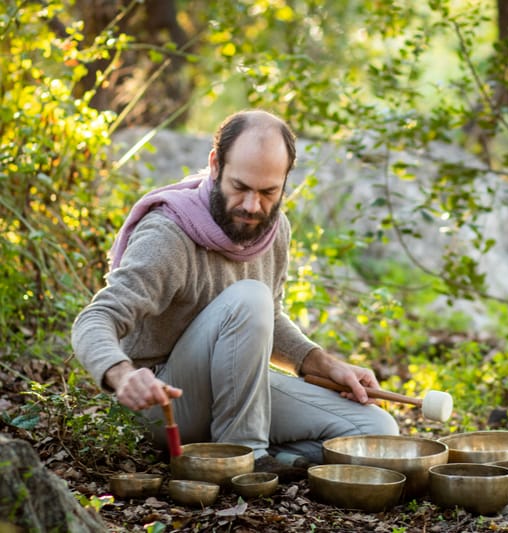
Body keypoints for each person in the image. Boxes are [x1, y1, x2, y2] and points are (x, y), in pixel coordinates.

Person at [71, 109, 399, 479]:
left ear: (285, 181)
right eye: (240, 187)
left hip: (233, 389)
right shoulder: (168, 234)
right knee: (249, 297)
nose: (251, 206)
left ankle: (264, 456)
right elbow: (95, 319)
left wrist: (325, 365)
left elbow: (265, 320)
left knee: (375, 432)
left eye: (268, 192)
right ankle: (246, 458)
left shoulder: (274, 230)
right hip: (166, 404)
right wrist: (122, 375)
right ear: (215, 165)